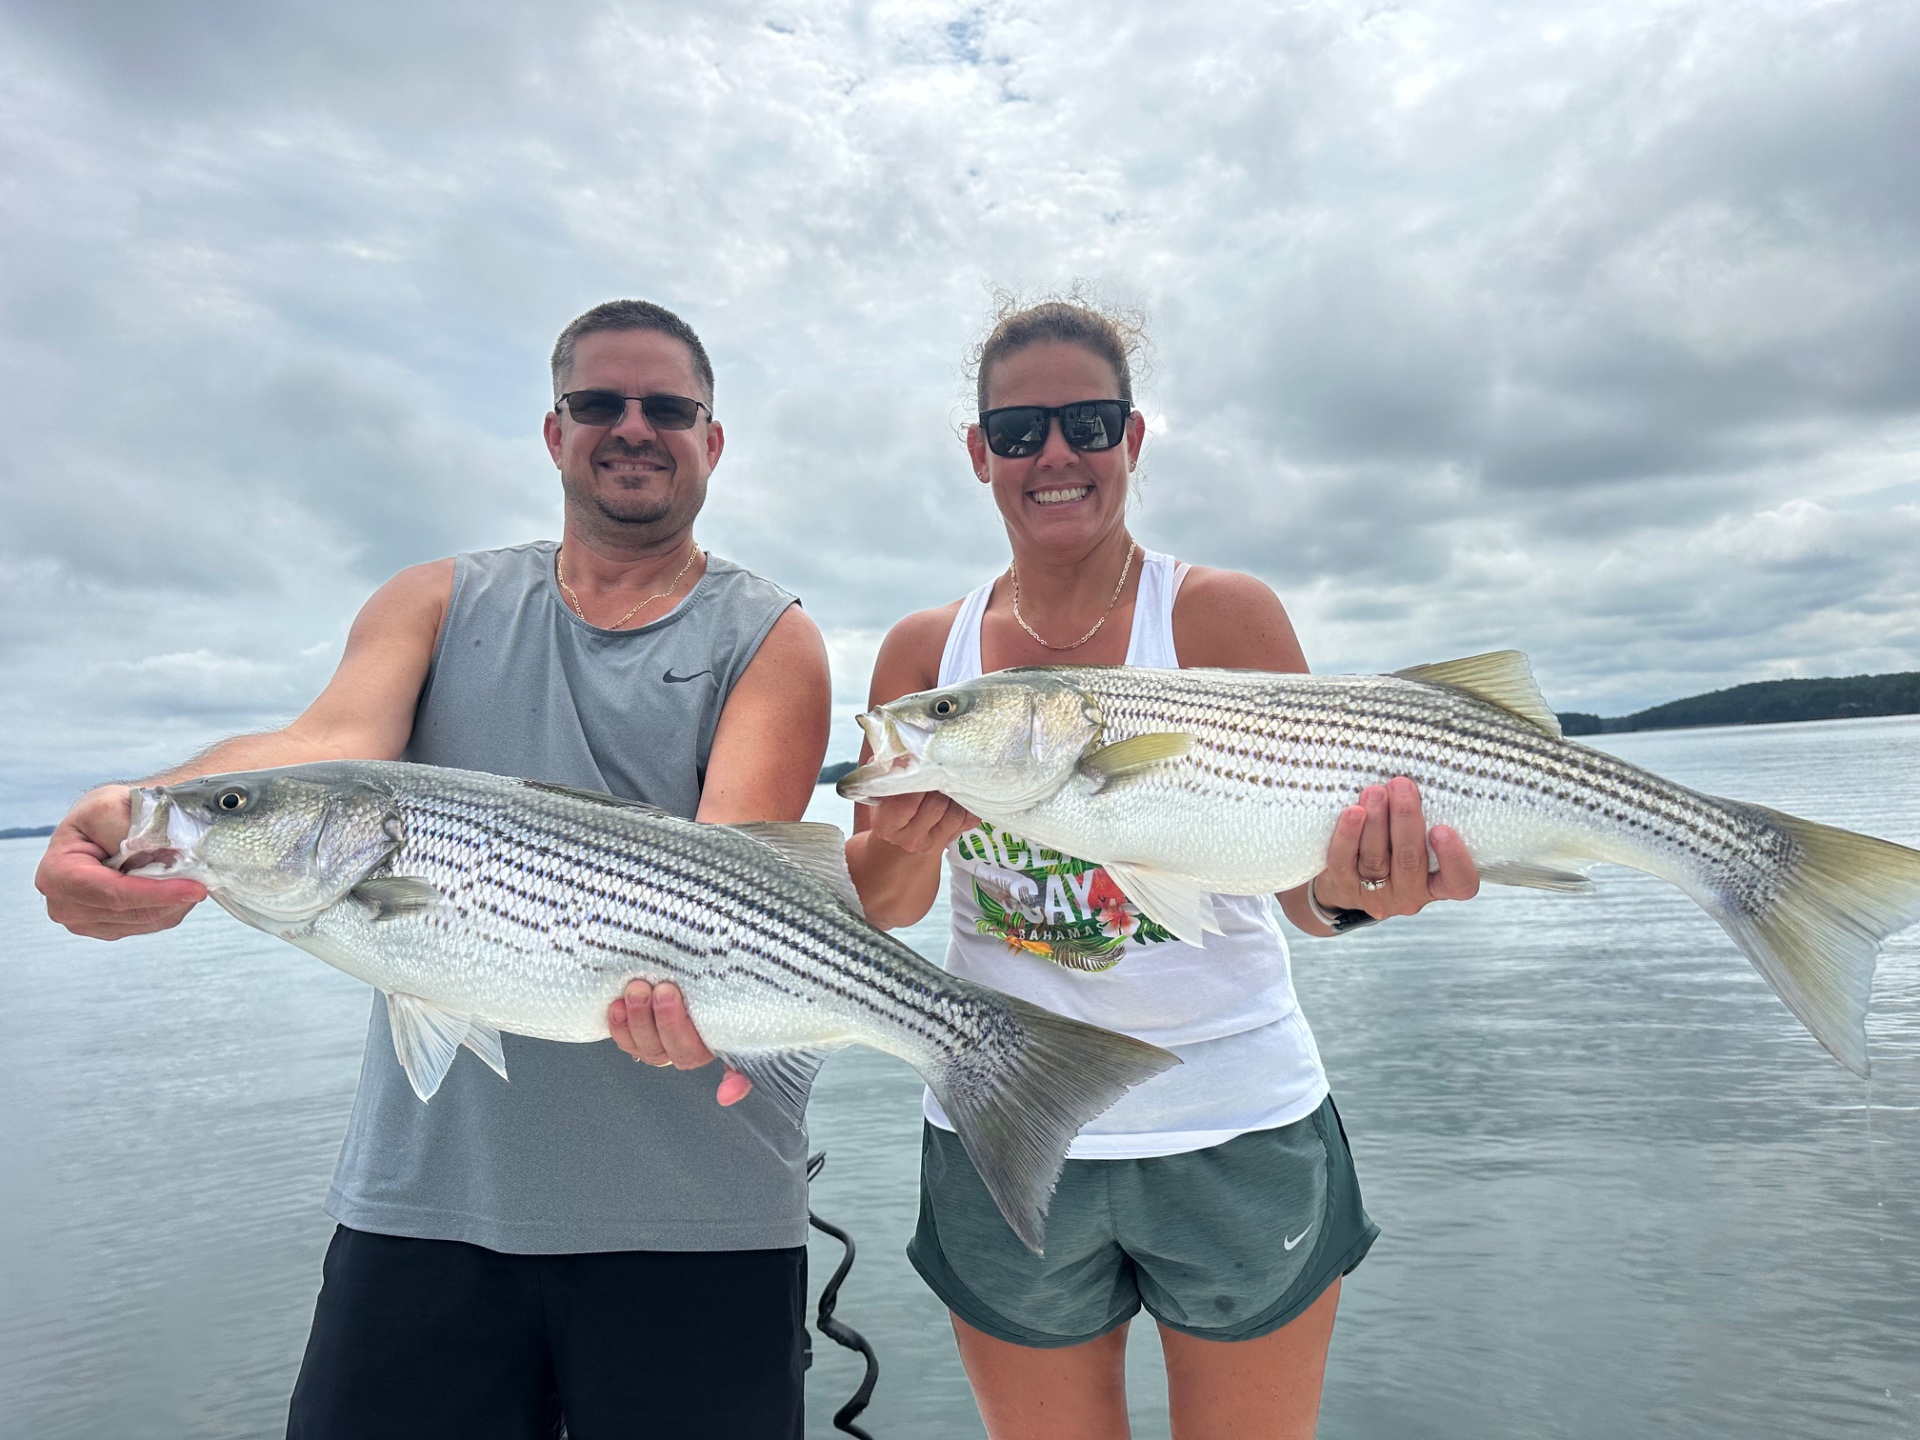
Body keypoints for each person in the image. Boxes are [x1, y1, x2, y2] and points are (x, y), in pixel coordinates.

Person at [34, 300, 831, 1440]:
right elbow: (321, 745)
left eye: (668, 407)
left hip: (699, 1212)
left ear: (713, 440)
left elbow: (729, 871)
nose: (632, 427)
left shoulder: (771, 634)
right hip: (429, 1204)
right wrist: (140, 808)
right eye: (597, 403)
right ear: (554, 434)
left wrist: (709, 992)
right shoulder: (436, 599)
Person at [842, 298, 1481, 1439]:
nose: (1056, 454)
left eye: (1090, 421)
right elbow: (882, 911)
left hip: (1232, 1118)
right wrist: (898, 846)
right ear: (978, 451)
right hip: (1004, 1130)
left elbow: (1307, 899)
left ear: (1133, 441)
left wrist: (1361, 889)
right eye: (1021, 428)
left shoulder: (1220, 614)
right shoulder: (920, 662)